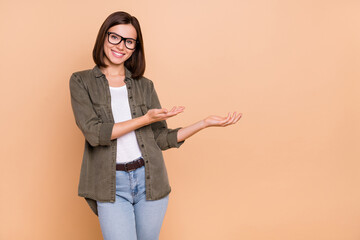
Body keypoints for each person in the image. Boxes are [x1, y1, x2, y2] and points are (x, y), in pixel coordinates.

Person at [69, 11, 242, 240]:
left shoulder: (144, 85)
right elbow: (95, 133)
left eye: (129, 41)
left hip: (149, 179)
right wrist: (145, 119)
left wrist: (204, 123)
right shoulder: (81, 81)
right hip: (110, 184)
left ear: (135, 48)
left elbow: (161, 138)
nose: (121, 46)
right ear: (104, 37)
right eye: (115, 37)